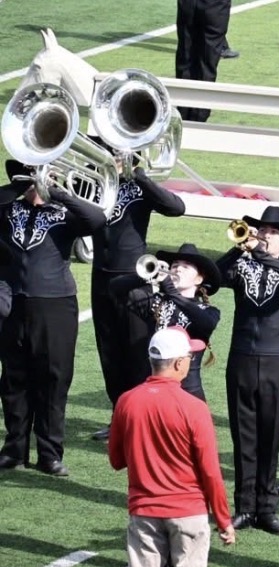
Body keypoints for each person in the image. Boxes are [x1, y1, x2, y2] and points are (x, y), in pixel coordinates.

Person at [108, 327, 235, 567]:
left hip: (143, 512)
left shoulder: (127, 401)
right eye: (190, 358)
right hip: (189, 513)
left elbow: (116, 460)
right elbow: (211, 471)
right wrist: (224, 520)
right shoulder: (193, 407)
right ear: (179, 363)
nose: (191, 362)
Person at [0, 161, 106, 476]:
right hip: (14, 303)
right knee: (14, 380)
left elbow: (97, 220)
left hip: (56, 305)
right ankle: (14, 449)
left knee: (53, 380)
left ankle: (50, 453)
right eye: (31, 171)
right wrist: (22, 184)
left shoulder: (64, 214)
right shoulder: (8, 209)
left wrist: (59, 192)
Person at [216, 206, 279, 535]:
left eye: (272, 233)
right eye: (261, 230)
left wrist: (261, 253)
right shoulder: (242, 263)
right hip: (240, 358)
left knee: (270, 437)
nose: (264, 236)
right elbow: (212, 278)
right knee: (244, 437)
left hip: (274, 362)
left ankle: (267, 508)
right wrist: (239, 247)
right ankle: (244, 507)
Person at [90, 154, 187, 440]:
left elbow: (176, 207)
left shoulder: (140, 186)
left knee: (136, 352)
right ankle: (119, 418)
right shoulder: (94, 184)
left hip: (136, 278)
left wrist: (140, 176)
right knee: (109, 352)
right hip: (101, 276)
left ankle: (141, 419)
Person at [108, 243, 221, 401]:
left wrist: (170, 290)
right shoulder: (155, 302)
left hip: (188, 392)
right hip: (153, 389)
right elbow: (114, 289)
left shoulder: (208, 310)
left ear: (199, 279)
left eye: (186, 266)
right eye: (175, 265)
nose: (178, 269)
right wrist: (145, 276)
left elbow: (206, 323)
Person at [175, 0, 232, 122]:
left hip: (187, 4)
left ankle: (183, 113)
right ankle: (198, 118)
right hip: (215, 5)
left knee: (185, 56)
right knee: (206, 64)